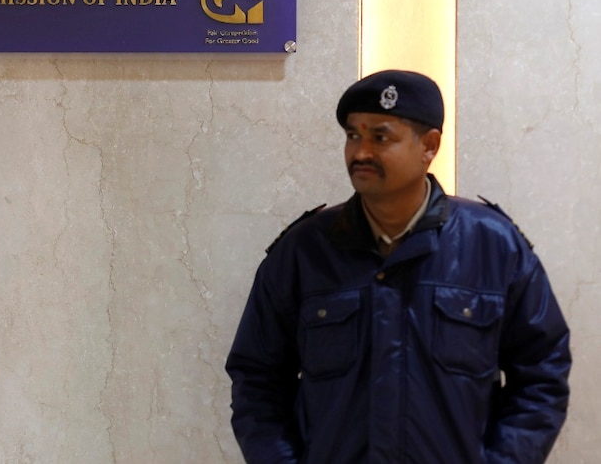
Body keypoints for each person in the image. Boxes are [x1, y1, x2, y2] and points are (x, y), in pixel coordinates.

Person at [225, 70, 571, 463]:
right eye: (353, 135)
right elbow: (257, 380)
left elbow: (542, 374)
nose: (360, 152)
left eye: (380, 136)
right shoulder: (305, 251)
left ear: (430, 145)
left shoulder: (494, 246)